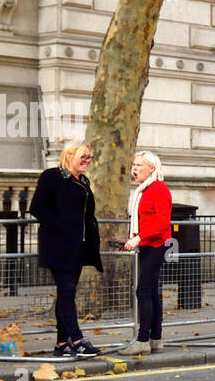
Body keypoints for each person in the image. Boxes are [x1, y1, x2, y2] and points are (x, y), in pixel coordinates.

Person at [29, 141, 104, 358]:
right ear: (69, 155)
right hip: (58, 246)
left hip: (78, 247)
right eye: (83, 157)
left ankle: (62, 343)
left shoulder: (83, 180)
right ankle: (78, 339)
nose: (87, 161)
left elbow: (86, 214)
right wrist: (60, 226)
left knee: (67, 293)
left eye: (89, 157)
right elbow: (37, 207)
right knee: (67, 292)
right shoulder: (52, 176)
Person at [121, 151, 173, 356]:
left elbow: (161, 224)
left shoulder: (158, 189)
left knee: (143, 292)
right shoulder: (145, 189)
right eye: (134, 164)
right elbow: (147, 222)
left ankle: (143, 340)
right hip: (148, 244)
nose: (135, 169)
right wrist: (132, 238)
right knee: (151, 293)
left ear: (152, 168)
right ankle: (156, 339)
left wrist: (138, 238)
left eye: (140, 165)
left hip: (156, 245)